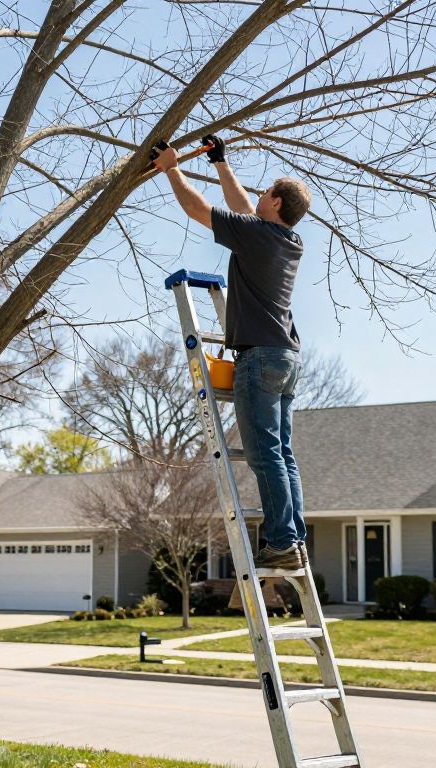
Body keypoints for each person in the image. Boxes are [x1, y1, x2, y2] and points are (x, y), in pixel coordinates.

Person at [151, 135, 312, 570]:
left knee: (264, 456)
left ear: (276, 202)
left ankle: (281, 544)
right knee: (282, 454)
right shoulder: (285, 240)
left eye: (265, 192)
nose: (258, 196)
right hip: (285, 359)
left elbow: (198, 210)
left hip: (259, 359)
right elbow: (244, 210)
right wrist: (222, 164)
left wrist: (171, 167)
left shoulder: (259, 235)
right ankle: (292, 540)